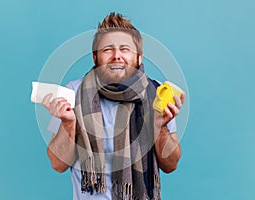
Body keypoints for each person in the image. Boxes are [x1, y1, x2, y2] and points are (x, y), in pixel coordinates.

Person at [42, 12, 185, 200]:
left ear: (139, 58)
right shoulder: (73, 93)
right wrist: (68, 125)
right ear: (95, 58)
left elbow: (170, 165)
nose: (117, 56)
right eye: (108, 49)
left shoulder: (156, 94)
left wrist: (160, 126)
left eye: (125, 49)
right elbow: (57, 164)